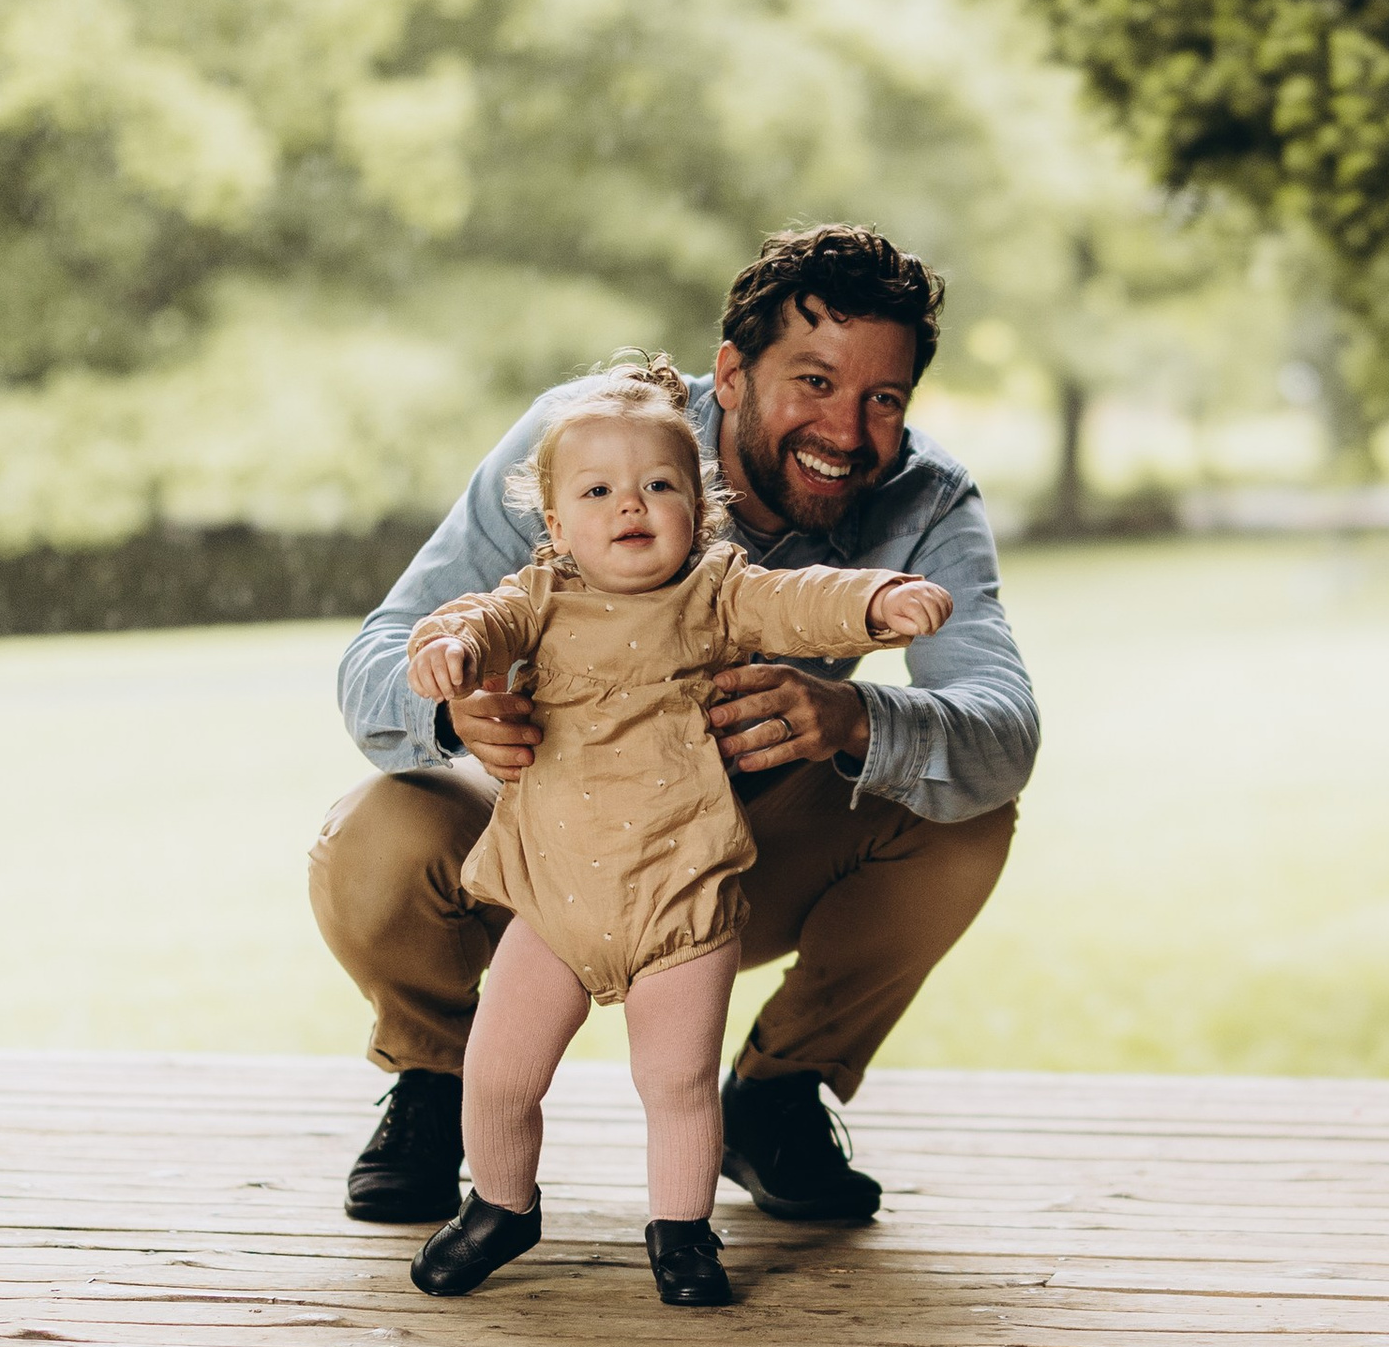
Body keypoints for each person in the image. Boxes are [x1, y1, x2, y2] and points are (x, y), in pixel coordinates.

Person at [310, 225, 1036, 1233]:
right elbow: (377, 653)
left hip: (724, 860)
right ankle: (440, 1081)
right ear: (729, 373)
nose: (849, 430)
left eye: (884, 398)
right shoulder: (587, 446)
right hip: (548, 838)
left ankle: (778, 1096)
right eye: (814, 383)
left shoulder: (924, 497)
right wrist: (453, 706)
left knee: (966, 816)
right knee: (376, 833)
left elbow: (1000, 727)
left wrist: (851, 714)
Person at [399, 354, 953, 1309]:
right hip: (555, 897)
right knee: (496, 1074)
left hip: (681, 896)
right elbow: (474, 624)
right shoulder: (538, 596)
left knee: (679, 1084)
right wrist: (448, 655)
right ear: (557, 521)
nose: (632, 506)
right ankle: (499, 1205)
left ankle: (681, 1232)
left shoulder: (717, 592)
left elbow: (799, 597)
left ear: (700, 510)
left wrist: (874, 601)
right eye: (600, 490)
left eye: (661, 485)